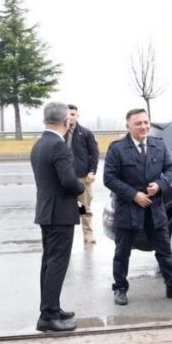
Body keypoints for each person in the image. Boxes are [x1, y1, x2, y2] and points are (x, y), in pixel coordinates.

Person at [103, 108, 172, 305]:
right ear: (128, 127)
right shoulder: (117, 149)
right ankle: (120, 288)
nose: (144, 127)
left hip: (154, 209)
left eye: (146, 122)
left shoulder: (158, 145)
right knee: (122, 253)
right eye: (138, 124)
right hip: (129, 210)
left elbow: (171, 168)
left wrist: (160, 185)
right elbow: (109, 179)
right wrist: (134, 195)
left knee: (164, 249)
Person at [30, 101, 86, 333]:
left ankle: (51, 308)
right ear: (66, 121)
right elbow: (69, 182)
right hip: (60, 213)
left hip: (46, 212)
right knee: (57, 265)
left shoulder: (40, 144)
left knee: (48, 263)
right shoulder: (59, 146)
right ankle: (49, 316)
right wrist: (81, 185)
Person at [66, 104, 100, 244]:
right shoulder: (59, 133)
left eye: (73, 114)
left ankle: (88, 233)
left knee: (85, 207)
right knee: (65, 208)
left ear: (77, 116)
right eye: (67, 114)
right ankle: (66, 236)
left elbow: (94, 153)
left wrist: (92, 171)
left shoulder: (85, 133)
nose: (70, 116)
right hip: (65, 177)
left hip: (82, 176)